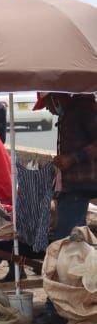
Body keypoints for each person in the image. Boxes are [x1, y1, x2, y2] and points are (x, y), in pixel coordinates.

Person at [36, 93, 97, 240]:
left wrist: (72, 158)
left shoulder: (85, 108)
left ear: (54, 98)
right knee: (68, 237)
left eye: (47, 105)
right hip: (70, 187)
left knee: (68, 240)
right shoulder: (67, 113)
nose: (49, 110)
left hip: (80, 186)